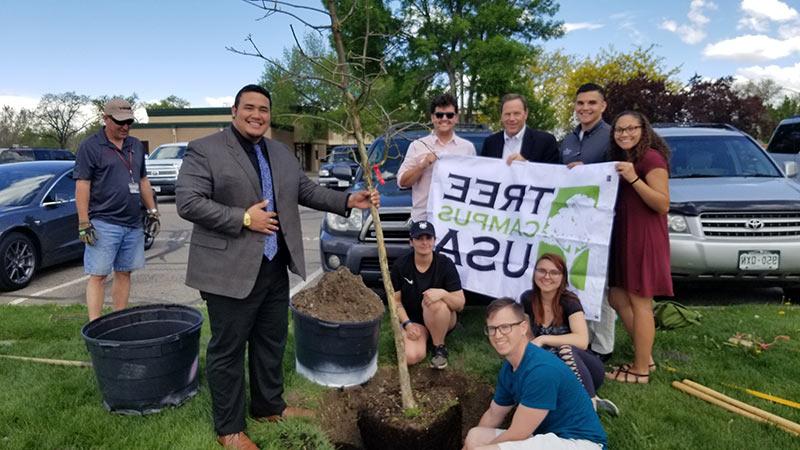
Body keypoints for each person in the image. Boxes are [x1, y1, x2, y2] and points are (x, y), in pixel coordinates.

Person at [175, 84, 379, 450]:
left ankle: (268, 406)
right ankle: (230, 429)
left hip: (273, 265)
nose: (257, 115)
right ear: (234, 111)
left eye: (264, 109)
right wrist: (243, 218)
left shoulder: (280, 153)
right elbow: (188, 202)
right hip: (229, 269)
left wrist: (348, 199)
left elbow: (306, 191)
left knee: (271, 341)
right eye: (249, 108)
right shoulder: (205, 150)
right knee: (229, 350)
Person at [463, 298, 607, 450]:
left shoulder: (541, 370)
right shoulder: (509, 368)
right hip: (548, 438)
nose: (497, 335)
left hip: (580, 442)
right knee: (475, 436)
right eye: (492, 328)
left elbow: (518, 433)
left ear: (523, 327)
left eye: (505, 327)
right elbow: (493, 415)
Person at [74, 98, 159, 322]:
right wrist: (84, 222)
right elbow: (83, 185)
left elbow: (142, 180)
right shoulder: (90, 146)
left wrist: (152, 212)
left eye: (129, 121)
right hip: (103, 222)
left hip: (132, 223)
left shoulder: (136, 145)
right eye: (120, 122)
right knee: (99, 275)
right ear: (105, 119)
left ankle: (118, 323)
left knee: (124, 272)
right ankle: (95, 327)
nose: (125, 126)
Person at [605, 110, 673, 384]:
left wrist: (634, 178)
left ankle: (640, 370)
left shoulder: (651, 158)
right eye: (619, 130)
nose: (625, 134)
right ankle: (647, 357)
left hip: (644, 236)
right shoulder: (626, 158)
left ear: (643, 130)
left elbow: (662, 203)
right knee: (617, 297)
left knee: (640, 301)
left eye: (631, 128)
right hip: (624, 234)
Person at [519, 254, 618, 416]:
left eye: (554, 272)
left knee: (566, 349)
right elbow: (528, 338)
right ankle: (581, 401)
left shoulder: (569, 301)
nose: (547, 276)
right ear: (534, 273)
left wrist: (543, 339)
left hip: (585, 369)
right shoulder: (528, 299)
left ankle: (590, 404)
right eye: (541, 271)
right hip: (554, 369)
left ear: (563, 277)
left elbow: (582, 340)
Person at [559, 83, 616, 361]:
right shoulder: (568, 140)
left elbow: (617, 176)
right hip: (573, 225)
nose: (585, 108)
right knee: (577, 280)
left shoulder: (612, 137)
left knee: (599, 283)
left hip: (601, 225)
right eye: (580, 103)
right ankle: (582, 337)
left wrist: (589, 172)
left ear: (603, 106)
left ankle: (602, 346)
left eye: (591, 103)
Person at [390, 221, 465, 369]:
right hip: (415, 320)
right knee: (411, 357)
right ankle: (425, 337)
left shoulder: (445, 264)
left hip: (443, 317)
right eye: (419, 238)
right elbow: (395, 302)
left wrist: (443, 294)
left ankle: (439, 348)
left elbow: (460, 304)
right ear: (411, 242)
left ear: (434, 240)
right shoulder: (400, 265)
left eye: (428, 238)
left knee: (433, 301)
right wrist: (407, 324)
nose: (424, 242)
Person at [398, 93, 476, 221]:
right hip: (424, 222)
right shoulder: (417, 146)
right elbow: (402, 182)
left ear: (456, 118)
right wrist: (422, 166)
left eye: (449, 115)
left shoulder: (467, 148)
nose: (444, 118)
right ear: (433, 117)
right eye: (439, 115)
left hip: (456, 221)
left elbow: (474, 185)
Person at [481, 94, 559, 165]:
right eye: (507, 114)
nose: (511, 119)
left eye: (516, 113)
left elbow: (553, 175)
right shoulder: (490, 143)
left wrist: (526, 165)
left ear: (526, 114)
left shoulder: (545, 142)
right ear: (501, 116)